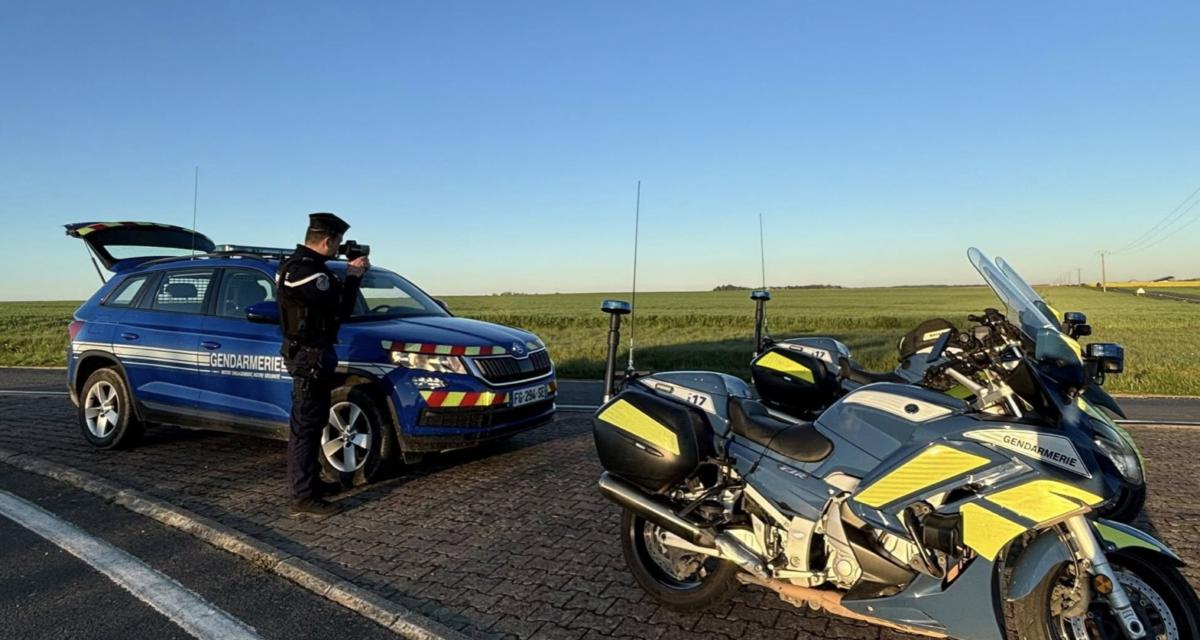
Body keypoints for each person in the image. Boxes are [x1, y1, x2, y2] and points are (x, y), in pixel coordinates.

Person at [276, 212, 370, 516]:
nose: (340, 248)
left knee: (313, 422)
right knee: (305, 426)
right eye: (338, 242)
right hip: (309, 357)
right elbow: (341, 308)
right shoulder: (309, 273)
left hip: (310, 354)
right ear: (328, 240)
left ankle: (310, 484)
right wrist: (353, 278)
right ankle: (302, 496)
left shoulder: (298, 267)